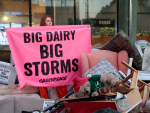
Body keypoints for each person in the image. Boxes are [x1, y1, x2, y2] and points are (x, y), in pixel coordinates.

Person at [39, 15, 68, 99]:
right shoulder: (38, 33)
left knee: (60, 80)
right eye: (48, 21)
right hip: (44, 61)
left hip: (56, 61)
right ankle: (44, 103)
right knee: (42, 81)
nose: (50, 22)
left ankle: (64, 102)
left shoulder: (57, 32)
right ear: (43, 23)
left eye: (51, 21)